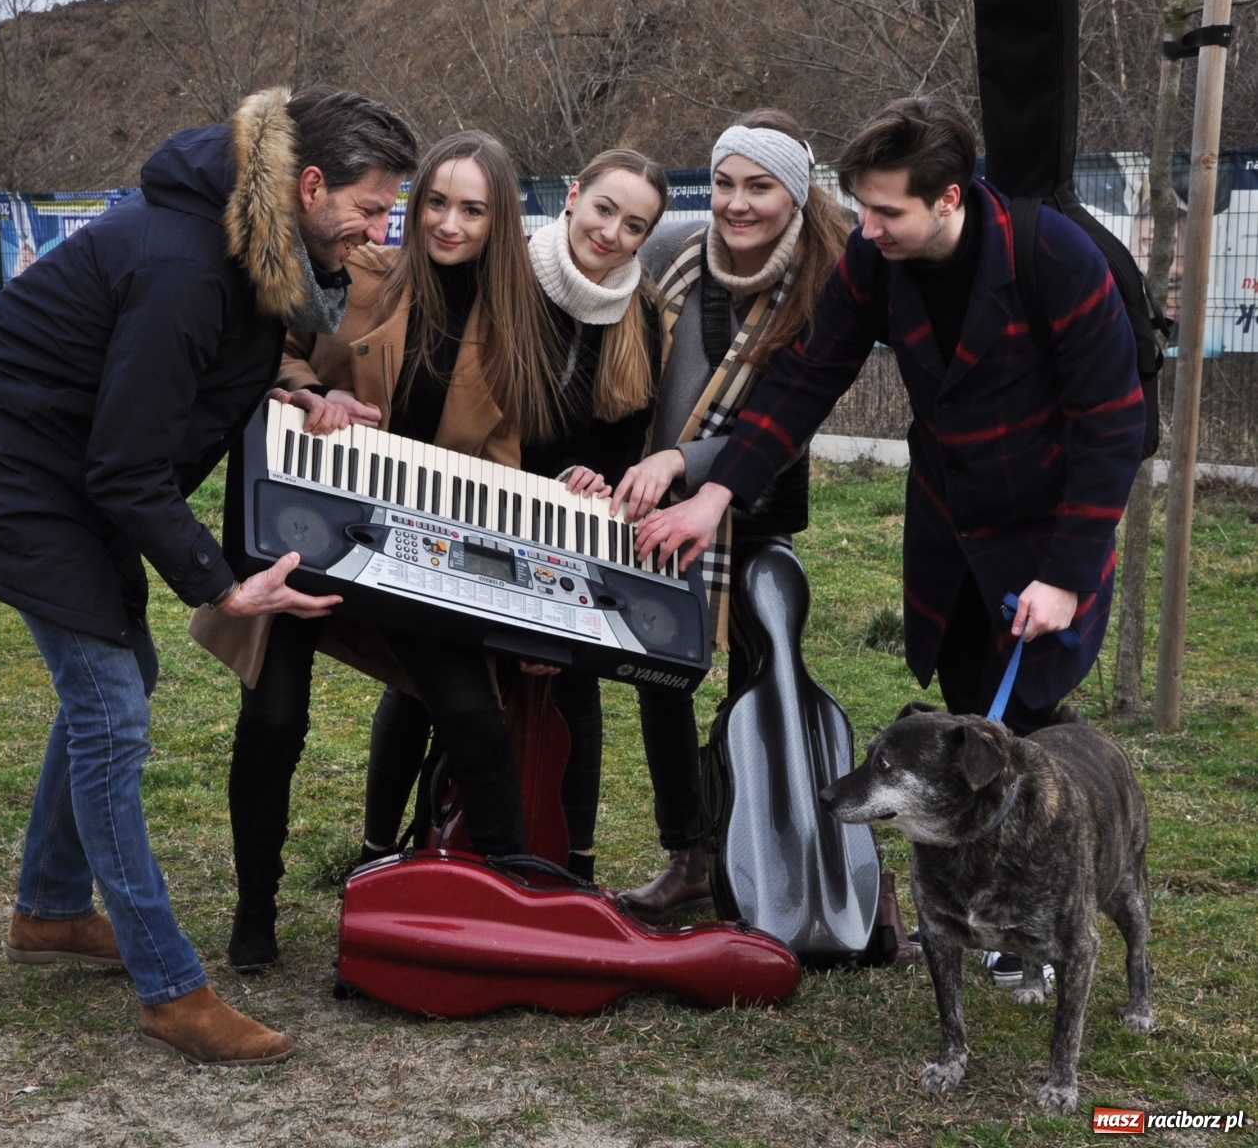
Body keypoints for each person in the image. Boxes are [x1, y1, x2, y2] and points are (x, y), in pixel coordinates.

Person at [0, 86, 418, 1067]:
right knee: (111, 713)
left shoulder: (246, 243)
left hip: (64, 469)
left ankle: (49, 911)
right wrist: (220, 586)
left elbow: (191, 367)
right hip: (7, 478)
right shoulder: (186, 262)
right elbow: (127, 465)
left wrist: (292, 387)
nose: (378, 231)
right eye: (369, 207)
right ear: (308, 186)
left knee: (117, 687)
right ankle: (169, 986)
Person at [637, 95, 1145, 737]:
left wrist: (1066, 578)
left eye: (886, 212)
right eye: (862, 206)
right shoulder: (875, 260)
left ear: (948, 200)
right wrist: (716, 494)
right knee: (967, 716)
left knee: (1025, 725)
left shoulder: (1057, 261)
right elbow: (806, 379)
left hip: (1043, 531)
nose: (867, 229)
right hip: (948, 533)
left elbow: (1110, 428)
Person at [212, 130, 563, 971]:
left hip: (418, 553)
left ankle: (516, 907)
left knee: (474, 718)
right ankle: (254, 912)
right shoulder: (359, 276)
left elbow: (506, 463)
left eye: (472, 208)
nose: (448, 223)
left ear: (499, 218)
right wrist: (312, 391)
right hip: (312, 537)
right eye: (435, 201)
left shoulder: (515, 328)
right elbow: (277, 351)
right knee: (273, 719)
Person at [353, 148, 670, 882]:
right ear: (572, 195)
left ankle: (575, 866)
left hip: (574, 518)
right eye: (603, 209)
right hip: (491, 499)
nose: (611, 232)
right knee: (425, 678)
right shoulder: (511, 276)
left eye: (634, 225)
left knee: (573, 681)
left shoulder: (640, 312)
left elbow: (627, 438)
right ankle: (380, 847)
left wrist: (604, 479)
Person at [606, 111, 850, 919]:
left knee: (760, 682)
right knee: (660, 670)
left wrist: (685, 462)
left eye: (759, 187)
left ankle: (764, 853)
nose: (735, 204)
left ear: (796, 194)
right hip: (656, 491)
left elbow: (785, 421)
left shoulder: (826, 283)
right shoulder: (675, 247)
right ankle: (689, 855)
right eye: (722, 183)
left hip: (756, 498)